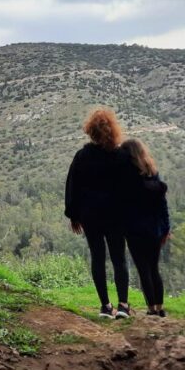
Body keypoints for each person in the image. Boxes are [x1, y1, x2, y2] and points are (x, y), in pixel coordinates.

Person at [65, 108, 130, 319]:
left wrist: (74, 215)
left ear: (90, 131)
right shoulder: (121, 156)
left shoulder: (82, 156)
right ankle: (123, 306)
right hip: (116, 216)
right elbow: (130, 188)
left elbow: (72, 186)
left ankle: (105, 306)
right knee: (119, 258)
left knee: (97, 257)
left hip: (90, 216)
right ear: (112, 130)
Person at [119, 138, 171, 317]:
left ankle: (151, 309)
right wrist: (166, 228)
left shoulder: (127, 177)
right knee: (154, 268)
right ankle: (160, 308)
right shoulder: (152, 173)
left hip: (134, 230)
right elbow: (162, 205)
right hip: (154, 229)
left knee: (143, 270)